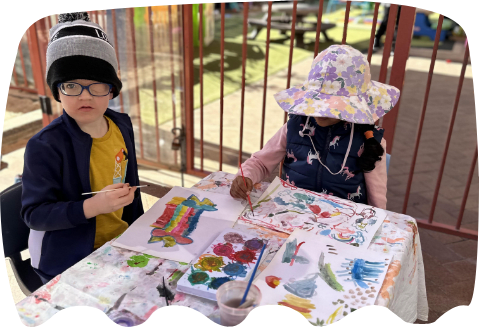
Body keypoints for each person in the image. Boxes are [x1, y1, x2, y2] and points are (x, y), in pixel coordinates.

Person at [20, 12, 144, 284]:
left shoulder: (122, 125)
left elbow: (129, 185)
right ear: (57, 91)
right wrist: (92, 206)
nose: (85, 95)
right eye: (71, 85)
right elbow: (34, 215)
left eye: (97, 85)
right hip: (68, 261)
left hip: (121, 244)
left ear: (112, 90)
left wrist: (139, 230)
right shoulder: (44, 146)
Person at [230, 44, 400, 210]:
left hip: (343, 222)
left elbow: (376, 198)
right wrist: (246, 177)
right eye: (318, 103)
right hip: (292, 211)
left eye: (333, 106)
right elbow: (261, 162)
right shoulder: (294, 127)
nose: (321, 112)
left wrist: (379, 223)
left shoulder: (368, 139)